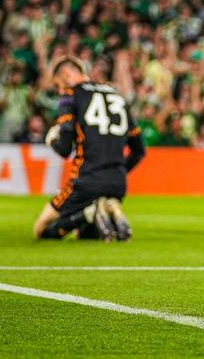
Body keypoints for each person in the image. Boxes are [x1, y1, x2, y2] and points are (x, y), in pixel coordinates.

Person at [33, 55, 145, 242]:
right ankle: (103, 210)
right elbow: (139, 150)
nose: (60, 91)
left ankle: (91, 212)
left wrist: (51, 139)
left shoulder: (70, 96)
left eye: (58, 85)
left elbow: (64, 149)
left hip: (87, 181)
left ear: (67, 75)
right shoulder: (116, 95)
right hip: (117, 183)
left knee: (41, 230)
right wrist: (117, 171)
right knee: (84, 235)